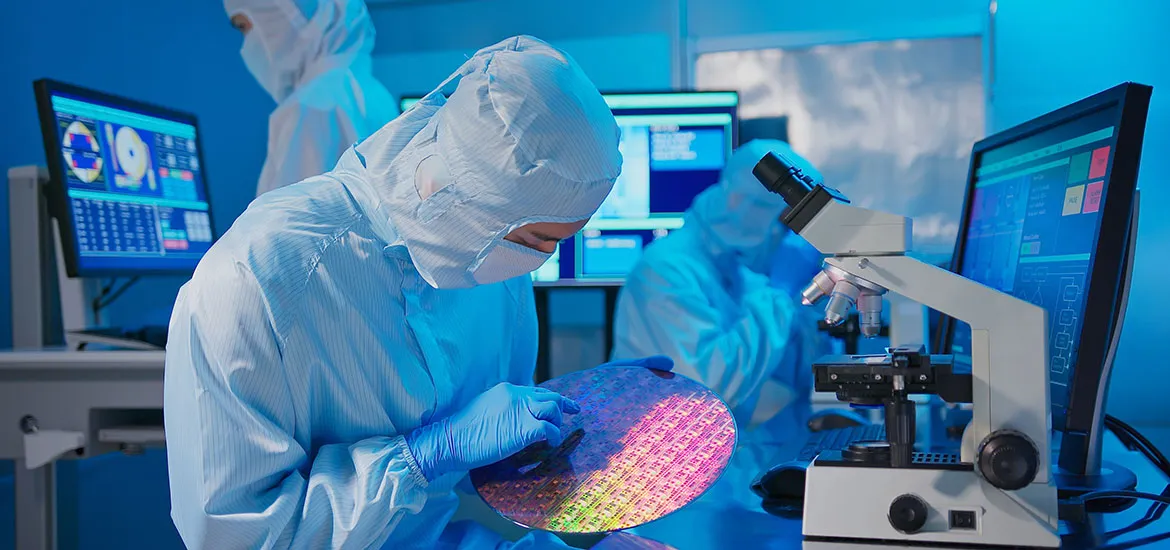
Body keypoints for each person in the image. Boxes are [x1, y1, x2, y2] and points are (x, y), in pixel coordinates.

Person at [164, 36, 669, 549]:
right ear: (459, 197)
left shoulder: (494, 258)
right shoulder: (256, 280)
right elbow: (232, 536)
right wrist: (423, 456)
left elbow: (494, 475)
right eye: (539, 240)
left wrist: (588, 412)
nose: (540, 260)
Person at [610, 139, 828, 441]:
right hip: (676, 468)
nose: (788, 236)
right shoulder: (665, 271)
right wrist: (780, 291)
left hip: (739, 466)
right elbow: (710, 386)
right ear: (741, 204)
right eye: (787, 221)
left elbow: (782, 372)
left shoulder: (739, 269)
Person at [226, 0, 397, 197]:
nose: (245, 44)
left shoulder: (311, 106)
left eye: (243, 27)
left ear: (288, 19)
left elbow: (287, 222)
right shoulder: (372, 93)